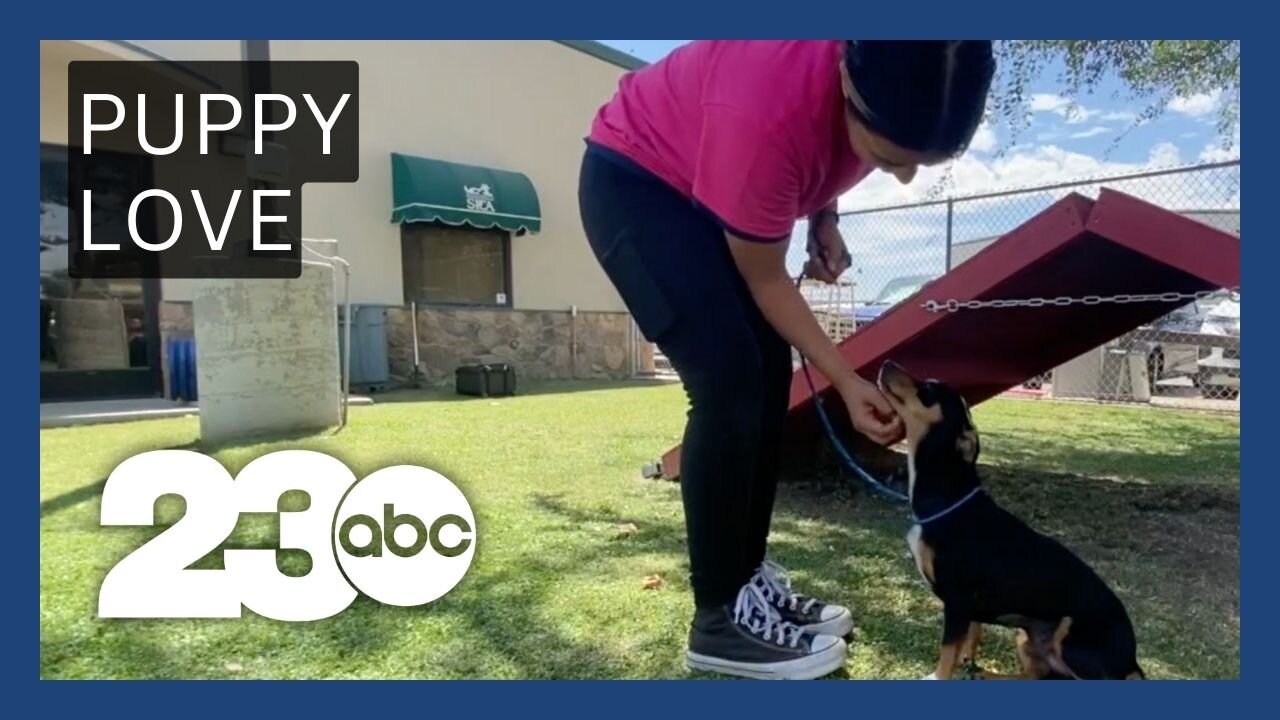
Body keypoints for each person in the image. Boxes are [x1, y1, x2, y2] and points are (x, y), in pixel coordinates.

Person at [578, 40, 995, 680]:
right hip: (638, 186)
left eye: (920, 162)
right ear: (849, 88)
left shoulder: (867, 76)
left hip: (706, 177)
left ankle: (744, 582)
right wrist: (846, 380)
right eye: (890, 156)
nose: (905, 175)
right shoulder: (764, 112)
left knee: (768, 372)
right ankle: (718, 619)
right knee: (729, 379)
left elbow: (822, 152)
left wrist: (823, 217)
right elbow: (769, 282)